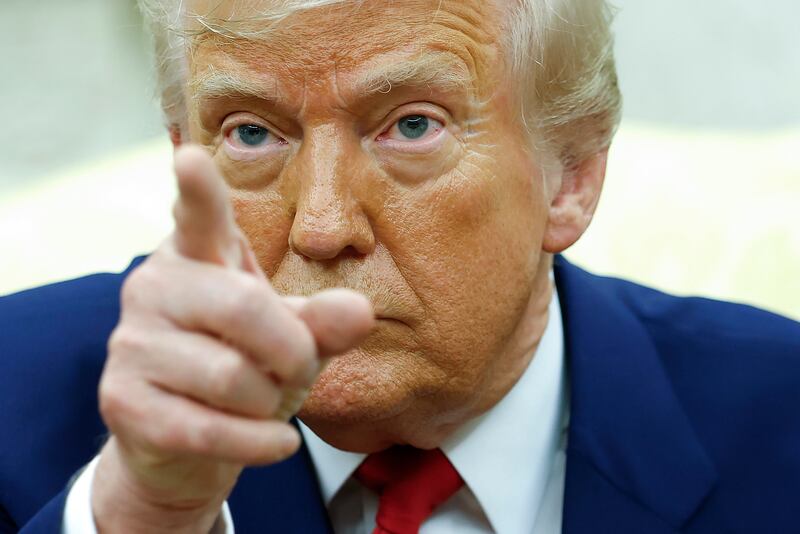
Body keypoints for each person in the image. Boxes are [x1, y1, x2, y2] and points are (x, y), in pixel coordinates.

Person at [1, 0, 799, 532]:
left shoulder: (780, 419)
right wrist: (139, 509)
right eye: (250, 133)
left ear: (572, 173)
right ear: (182, 157)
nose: (320, 226)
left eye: (411, 125)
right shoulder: (16, 404)